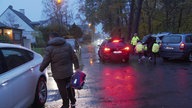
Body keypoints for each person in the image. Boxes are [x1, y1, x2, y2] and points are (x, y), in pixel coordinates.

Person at [39, 32, 80, 108]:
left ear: (51, 38)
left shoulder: (49, 48)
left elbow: (46, 61)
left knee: (62, 90)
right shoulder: (67, 45)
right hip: (68, 72)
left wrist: (40, 69)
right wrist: (77, 67)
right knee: (70, 87)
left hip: (58, 74)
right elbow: (74, 57)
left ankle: (65, 104)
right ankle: (73, 101)